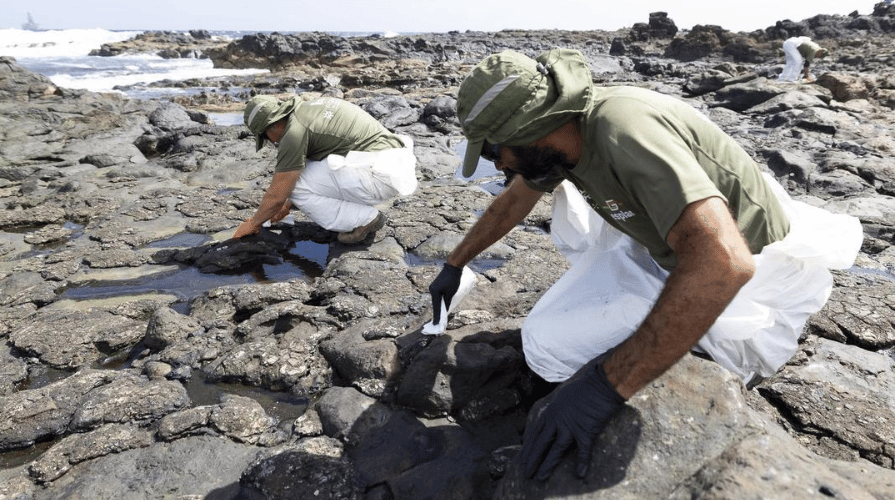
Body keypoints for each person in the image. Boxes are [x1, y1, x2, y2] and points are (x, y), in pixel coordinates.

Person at [428, 48, 861, 482]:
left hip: (746, 290)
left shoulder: (623, 130)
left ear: (528, 129)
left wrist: (605, 386)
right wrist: (454, 264)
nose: (499, 164)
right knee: (543, 340)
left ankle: (700, 354)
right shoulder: (564, 134)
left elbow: (725, 263)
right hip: (674, 250)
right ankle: (661, 343)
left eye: (493, 152)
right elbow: (513, 202)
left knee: (552, 347)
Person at [234, 95, 418, 244]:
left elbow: (277, 194)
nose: (271, 142)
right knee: (299, 177)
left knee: (293, 186)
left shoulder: (293, 134)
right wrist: (287, 206)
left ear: (273, 124)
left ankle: (364, 219)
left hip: (378, 176)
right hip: (393, 164)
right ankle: (358, 212)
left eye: (265, 137)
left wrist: (254, 223)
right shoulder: (308, 109)